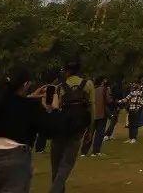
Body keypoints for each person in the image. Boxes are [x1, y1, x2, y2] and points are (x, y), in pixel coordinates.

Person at [0, 69, 73, 192]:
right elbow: (51, 130)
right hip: (15, 159)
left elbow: (14, 105)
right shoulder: (30, 106)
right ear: (25, 85)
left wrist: (32, 96)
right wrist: (55, 109)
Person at [48, 62, 91, 193]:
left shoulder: (60, 87)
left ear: (67, 71)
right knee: (67, 163)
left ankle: (56, 190)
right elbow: (91, 108)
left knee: (56, 163)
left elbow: (52, 108)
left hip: (61, 127)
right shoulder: (87, 85)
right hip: (77, 128)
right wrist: (90, 129)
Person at [123, 78, 143, 144]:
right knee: (130, 123)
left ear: (138, 83)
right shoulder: (134, 90)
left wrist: (138, 107)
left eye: (134, 83)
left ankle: (134, 138)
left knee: (135, 123)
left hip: (137, 109)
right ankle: (130, 137)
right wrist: (119, 101)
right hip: (131, 108)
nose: (133, 85)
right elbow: (127, 98)